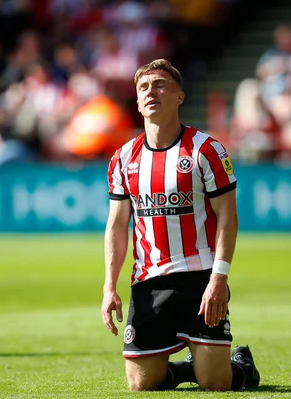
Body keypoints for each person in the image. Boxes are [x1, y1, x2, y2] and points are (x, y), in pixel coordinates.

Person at [101, 58, 260, 391]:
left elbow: (228, 217)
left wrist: (219, 278)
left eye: (160, 85)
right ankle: (190, 367)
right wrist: (109, 286)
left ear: (179, 97)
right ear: (137, 100)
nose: (151, 92)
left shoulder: (206, 150)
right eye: (143, 87)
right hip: (149, 282)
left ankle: (238, 365)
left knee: (216, 383)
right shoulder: (123, 158)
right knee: (142, 385)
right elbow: (117, 225)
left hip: (199, 278)